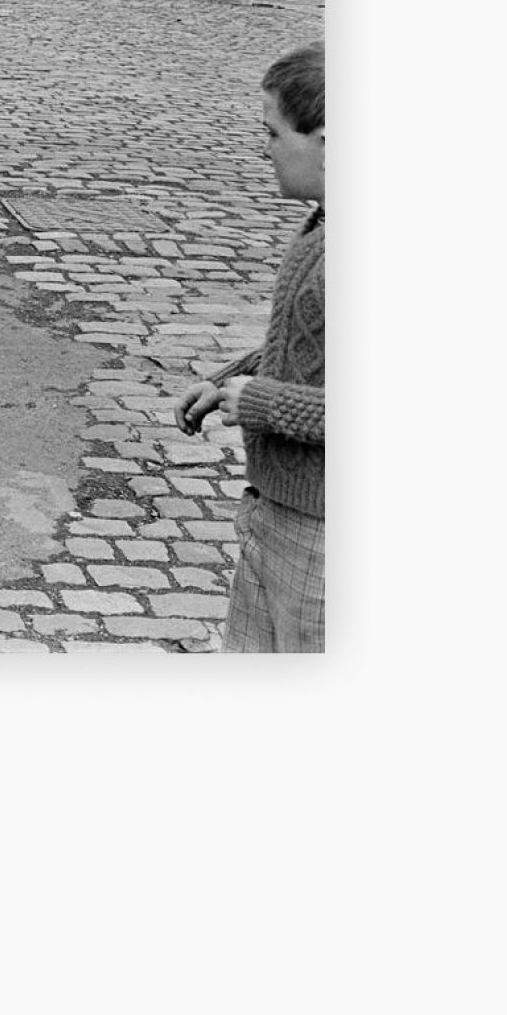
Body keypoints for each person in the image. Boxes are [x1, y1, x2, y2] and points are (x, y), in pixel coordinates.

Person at [177, 40, 325, 651]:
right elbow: (309, 345)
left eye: (272, 133)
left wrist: (262, 403)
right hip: (275, 511)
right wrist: (232, 377)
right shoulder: (324, 225)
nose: (263, 147)